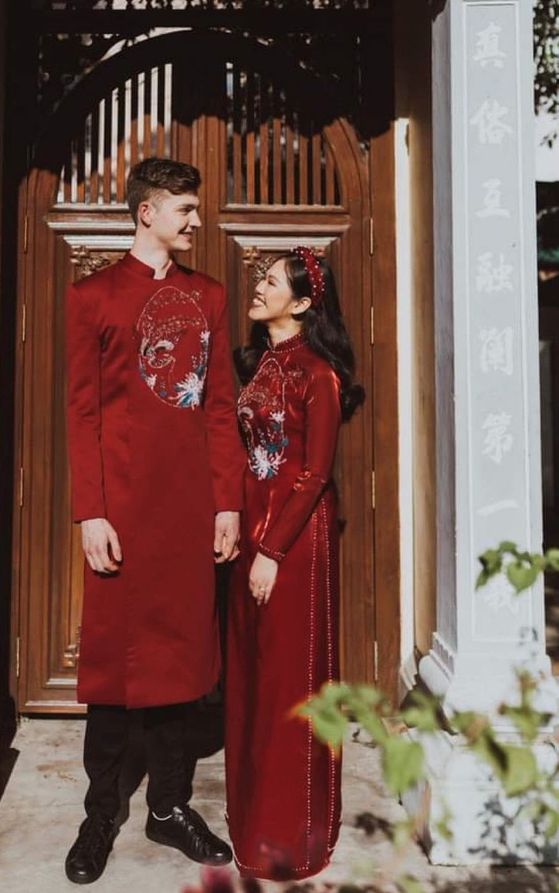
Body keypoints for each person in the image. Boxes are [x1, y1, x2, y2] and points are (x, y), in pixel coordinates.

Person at [63, 157, 245, 885]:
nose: (195, 220)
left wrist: (226, 500)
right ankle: (99, 812)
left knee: (180, 669)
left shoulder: (208, 295)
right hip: (120, 515)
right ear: (146, 212)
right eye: (184, 208)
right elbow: (81, 413)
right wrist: (90, 511)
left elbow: (220, 406)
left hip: (191, 512)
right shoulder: (91, 297)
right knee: (112, 674)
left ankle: (168, 807)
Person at [224, 248, 365, 881]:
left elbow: (313, 477)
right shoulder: (258, 364)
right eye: (262, 277)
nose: (258, 286)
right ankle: (251, 820)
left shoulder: (318, 373)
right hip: (251, 540)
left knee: (288, 684)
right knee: (252, 679)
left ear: (303, 304)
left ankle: (292, 837)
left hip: (293, 545)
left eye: (272, 281)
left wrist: (272, 552)